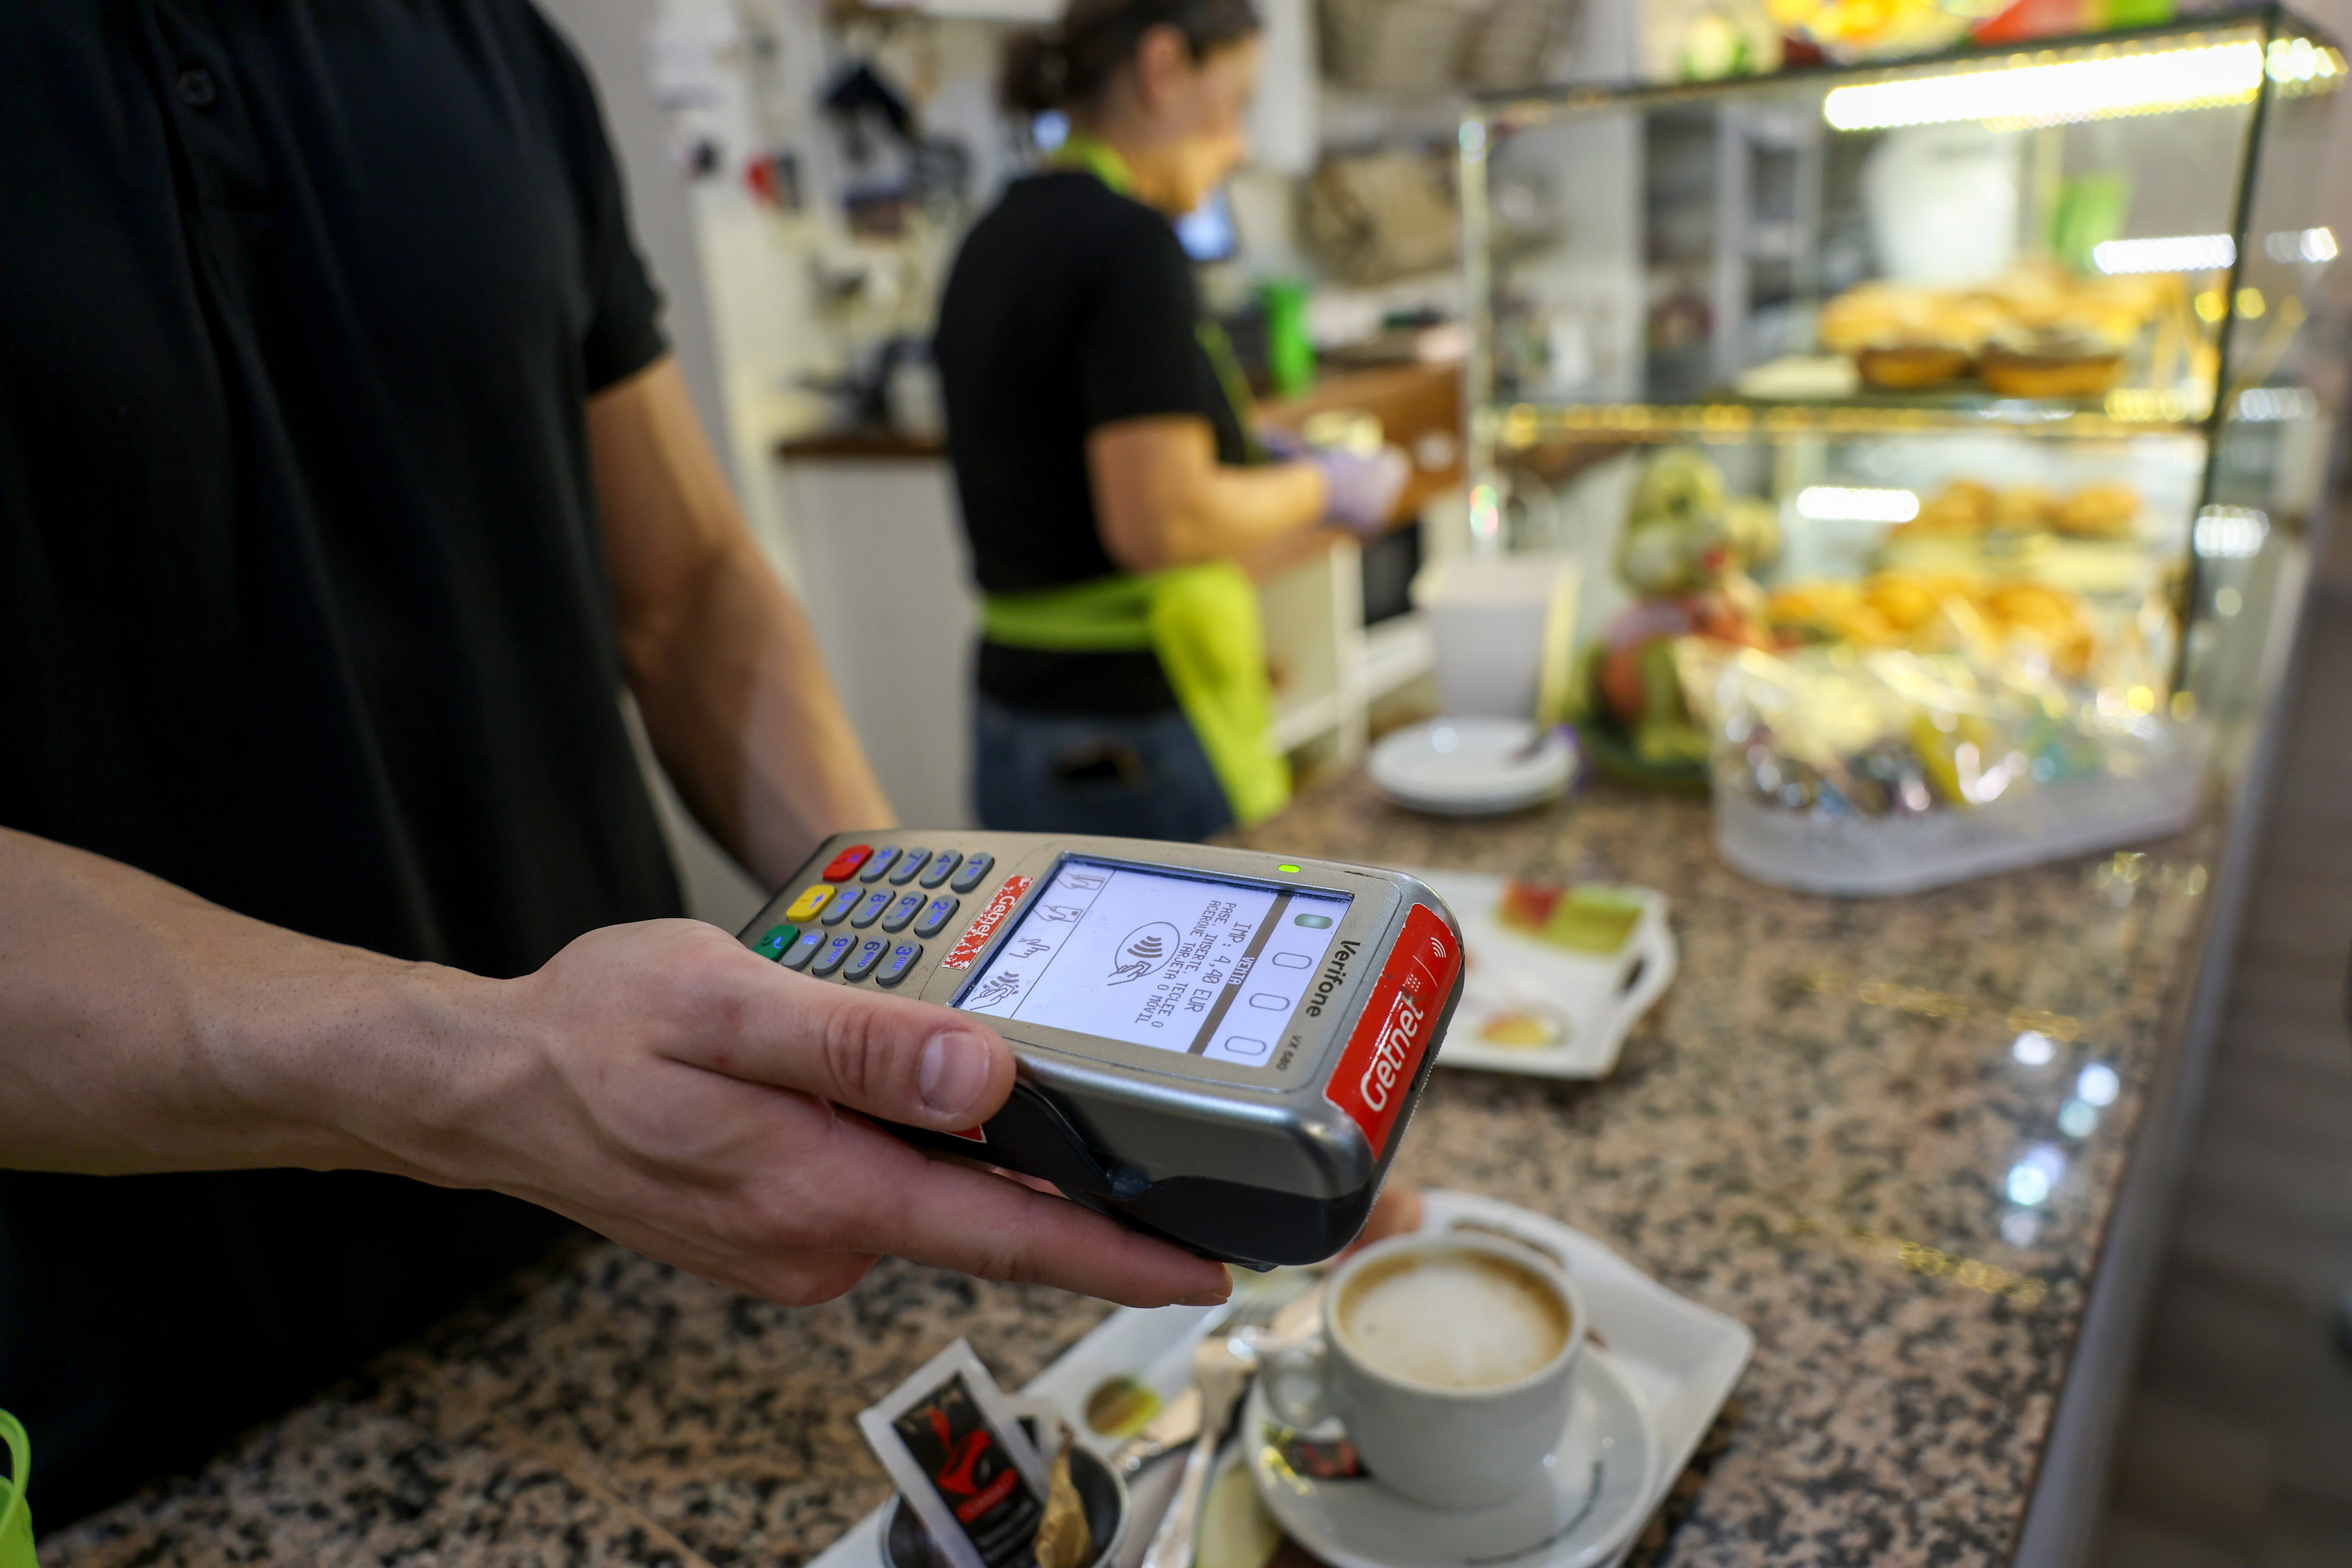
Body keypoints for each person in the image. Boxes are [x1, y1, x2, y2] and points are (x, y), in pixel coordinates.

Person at [0, 0, 1226, 1528]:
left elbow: (687, 587)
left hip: (659, 1231)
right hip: (173, 1399)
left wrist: (928, 960)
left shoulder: (494, 47)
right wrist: (484, 1067)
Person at [932, 0, 1409, 844]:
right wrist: (1323, 486)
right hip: (1127, 734)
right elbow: (1162, 520)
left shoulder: (992, 236)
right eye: (1236, 104)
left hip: (1012, 719)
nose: (1241, 145)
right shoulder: (1132, 244)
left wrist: (1250, 457)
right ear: (1164, 69)